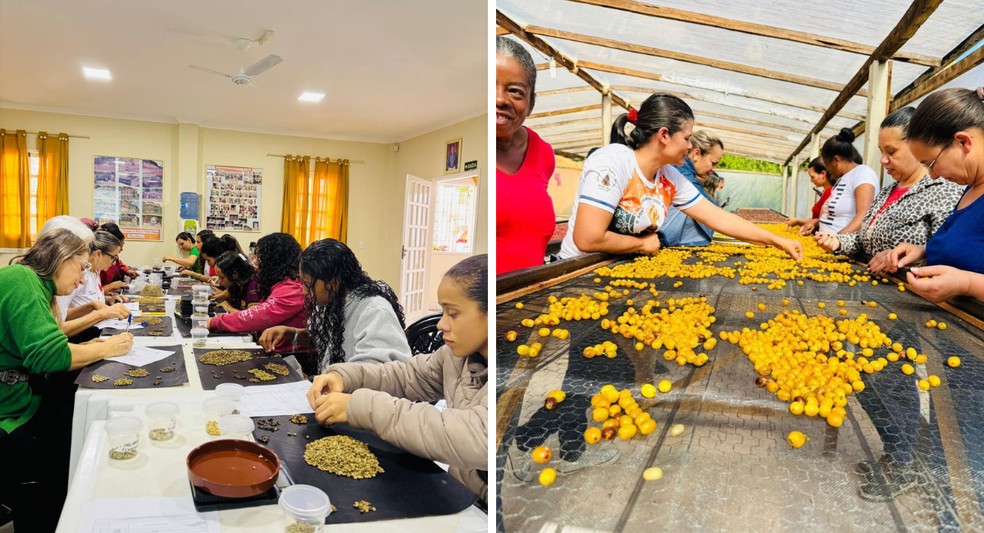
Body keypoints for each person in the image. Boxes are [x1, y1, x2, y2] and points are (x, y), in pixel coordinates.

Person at [306, 254, 488, 506]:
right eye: (442, 311)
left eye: (453, 314)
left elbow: (474, 435)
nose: (441, 324)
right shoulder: (454, 357)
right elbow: (404, 375)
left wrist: (359, 406)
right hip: (462, 494)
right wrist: (344, 377)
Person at [558, 93, 803, 261]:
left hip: (616, 268)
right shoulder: (613, 162)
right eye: (686, 138)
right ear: (664, 135)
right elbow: (587, 238)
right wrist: (642, 245)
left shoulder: (669, 177)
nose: (689, 146)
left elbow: (720, 219)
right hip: (577, 270)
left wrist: (776, 240)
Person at [0, 229, 133, 533]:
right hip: (11, 412)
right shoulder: (21, 281)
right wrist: (107, 347)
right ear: (62, 256)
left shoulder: (33, 284)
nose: (85, 279)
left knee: (88, 413)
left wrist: (91, 347)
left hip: (23, 395)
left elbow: (51, 340)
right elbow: (48, 356)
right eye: (83, 267)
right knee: (87, 444)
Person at [815, 107, 963, 272]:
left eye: (891, 152)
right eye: (881, 152)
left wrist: (899, 258)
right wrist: (838, 242)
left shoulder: (943, 192)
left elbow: (946, 256)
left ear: (917, 147)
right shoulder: (886, 192)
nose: (883, 160)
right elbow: (865, 239)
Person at [886, 87, 984, 302]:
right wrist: (923, 251)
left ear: (963, 143)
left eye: (931, 164)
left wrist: (967, 283)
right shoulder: (971, 188)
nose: (931, 176)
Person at [258, 239, 411, 374]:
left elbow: (381, 372)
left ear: (333, 282)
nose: (304, 292)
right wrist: (289, 332)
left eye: (307, 284)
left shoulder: (374, 311)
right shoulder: (332, 300)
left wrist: (331, 381)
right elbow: (320, 338)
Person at [496, 36, 556, 275]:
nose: (500, 99)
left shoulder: (543, 153)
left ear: (531, 104)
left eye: (515, 92)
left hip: (529, 300)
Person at [207, 233, 307, 350]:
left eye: (259, 257)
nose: (255, 263)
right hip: (273, 349)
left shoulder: (292, 289)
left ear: (272, 260)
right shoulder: (278, 282)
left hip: (287, 355)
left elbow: (256, 316)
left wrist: (214, 322)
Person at [658, 129, 724, 246]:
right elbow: (711, 212)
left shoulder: (687, 173)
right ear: (697, 154)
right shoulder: (681, 174)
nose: (714, 170)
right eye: (713, 163)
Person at [815, 129, 879, 235]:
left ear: (836, 160)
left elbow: (864, 215)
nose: (827, 169)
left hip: (842, 248)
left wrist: (835, 240)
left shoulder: (863, 174)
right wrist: (815, 223)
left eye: (827, 164)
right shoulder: (843, 178)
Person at [785, 158, 835, 234]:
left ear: (823, 174)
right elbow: (816, 220)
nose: (811, 181)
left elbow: (821, 221)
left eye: (812, 177)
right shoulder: (826, 192)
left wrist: (798, 221)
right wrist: (797, 221)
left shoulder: (830, 193)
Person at [96, 222, 137, 290]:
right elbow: (94, 294)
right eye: (121, 246)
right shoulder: (91, 271)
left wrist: (126, 270)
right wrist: (110, 286)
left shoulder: (108, 258)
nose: (114, 263)